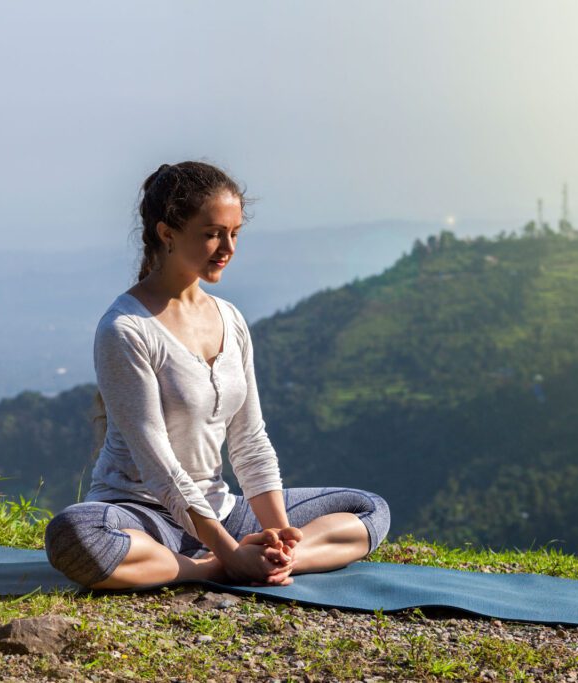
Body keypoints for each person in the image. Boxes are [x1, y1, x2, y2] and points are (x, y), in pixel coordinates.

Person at [44, 161, 390, 590]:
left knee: (369, 509)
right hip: (145, 515)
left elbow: (250, 440)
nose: (227, 246)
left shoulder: (230, 318)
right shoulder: (126, 329)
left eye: (235, 233)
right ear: (167, 233)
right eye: (212, 234)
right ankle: (208, 569)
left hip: (222, 510)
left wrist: (279, 537)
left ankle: (279, 562)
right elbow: (159, 469)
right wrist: (227, 554)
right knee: (75, 535)